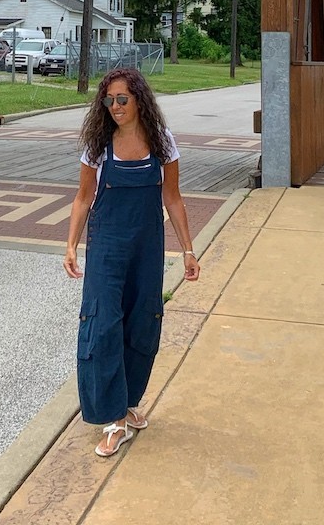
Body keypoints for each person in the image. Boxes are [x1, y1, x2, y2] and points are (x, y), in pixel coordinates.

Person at [63, 67, 200, 457]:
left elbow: (172, 198)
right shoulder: (97, 147)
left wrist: (188, 250)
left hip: (147, 246)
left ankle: (127, 403)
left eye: (122, 99)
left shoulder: (163, 144)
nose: (115, 106)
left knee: (142, 320)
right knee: (103, 324)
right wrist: (71, 245)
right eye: (108, 100)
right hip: (107, 245)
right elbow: (83, 199)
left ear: (139, 99)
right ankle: (113, 419)